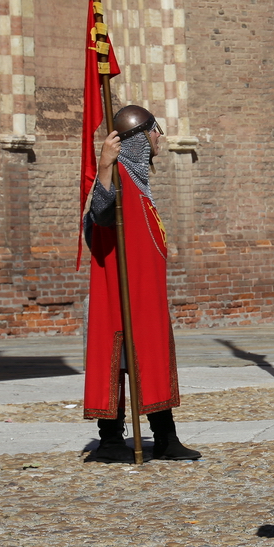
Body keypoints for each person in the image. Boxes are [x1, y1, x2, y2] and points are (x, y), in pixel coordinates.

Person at [83, 105, 201, 463]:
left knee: (149, 355)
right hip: (123, 288)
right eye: (154, 130)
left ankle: (165, 437)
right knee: (121, 355)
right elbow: (99, 216)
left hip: (145, 288)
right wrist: (105, 166)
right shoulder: (117, 175)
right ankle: (111, 439)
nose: (159, 137)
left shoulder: (136, 181)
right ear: (137, 138)